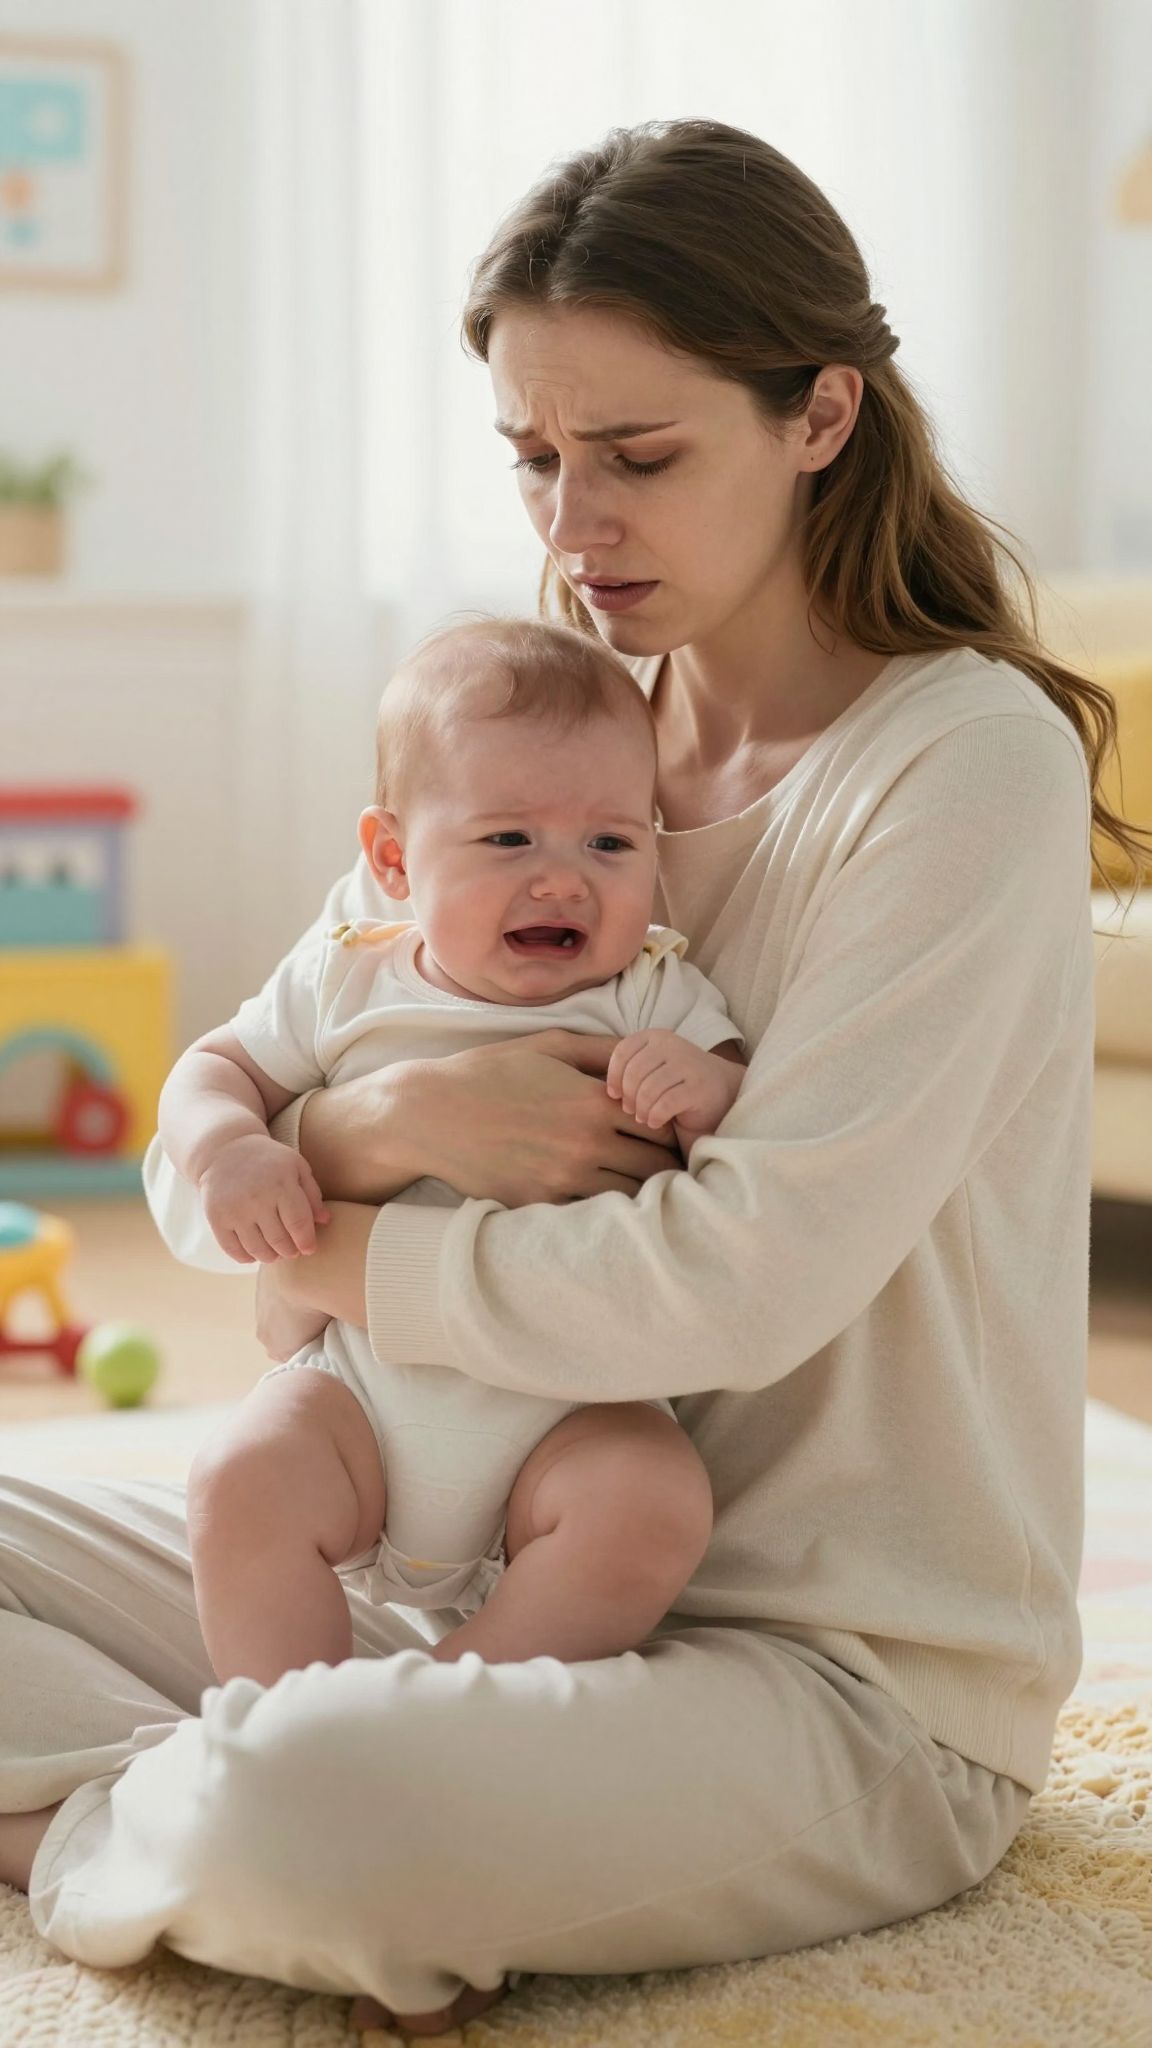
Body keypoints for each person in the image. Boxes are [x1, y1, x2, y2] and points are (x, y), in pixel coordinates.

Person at [1, 115, 1143, 2043]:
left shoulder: (962, 767)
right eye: (534, 459)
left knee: (309, 1803)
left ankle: (120, 1811)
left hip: (819, 1673)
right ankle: (216, 1785)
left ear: (819, 414)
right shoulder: (557, 721)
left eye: (635, 457)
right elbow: (288, 1104)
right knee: (261, 1686)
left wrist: (332, 1221)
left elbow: (736, 1281)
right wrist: (368, 1130)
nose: (570, 527)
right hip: (417, 1557)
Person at [159, 615, 743, 1685]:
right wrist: (229, 1151)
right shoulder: (347, 975)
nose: (564, 879)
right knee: (239, 1477)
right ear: (391, 857)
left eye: (611, 842)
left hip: (570, 1415)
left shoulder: (652, 990)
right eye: (509, 839)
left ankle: (436, 1699)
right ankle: (285, 1717)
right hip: (358, 1398)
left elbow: (755, 1129)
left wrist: (709, 1086)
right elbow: (209, 1071)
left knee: (652, 1505)